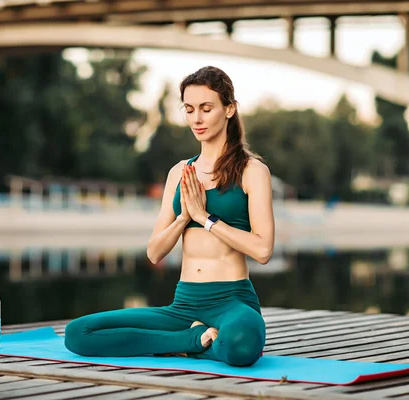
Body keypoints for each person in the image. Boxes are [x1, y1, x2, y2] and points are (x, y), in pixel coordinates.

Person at [64, 66, 275, 367]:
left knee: (242, 346)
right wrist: (182, 218)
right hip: (183, 305)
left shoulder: (252, 172)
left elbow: (263, 250)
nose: (197, 119)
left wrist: (205, 218)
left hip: (233, 302)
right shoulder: (179, 172)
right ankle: (192, 340)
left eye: (206, 108)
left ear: (229, 109)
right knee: (78, 333)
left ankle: (191, 342)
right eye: (189, 110)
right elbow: (154, 252)